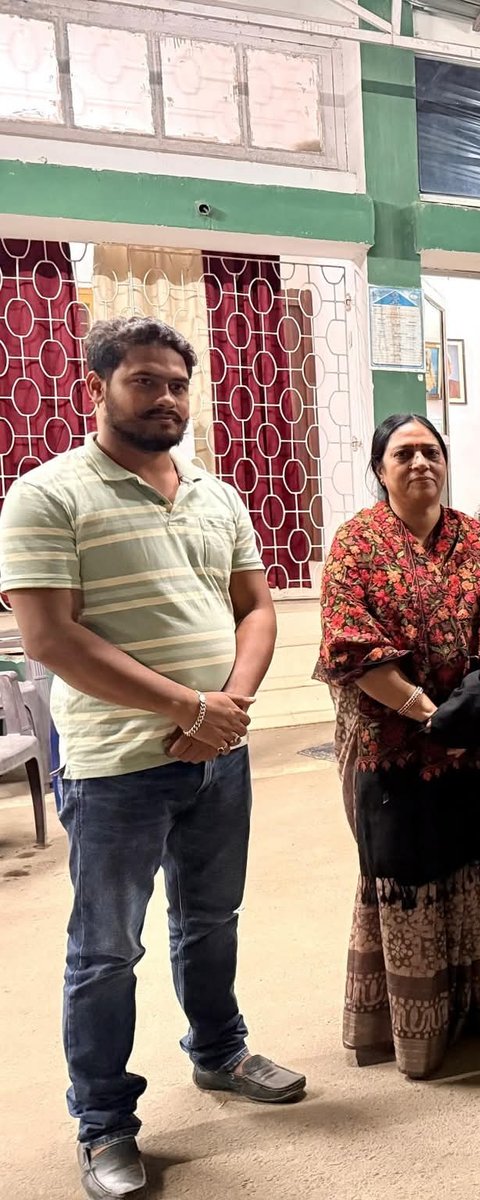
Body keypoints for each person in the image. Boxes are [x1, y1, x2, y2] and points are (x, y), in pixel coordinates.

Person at [0, 316, 304, 1200]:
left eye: (176, 383)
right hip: (114, 767)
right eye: (143, 381)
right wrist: (190, 708)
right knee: (106, 949)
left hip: (219, 754)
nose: (165, 397)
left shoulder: (217, 494)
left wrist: (229, 708)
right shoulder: (45, 496)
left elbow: (256, 608)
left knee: (211, 919)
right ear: (96, 387)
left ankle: (219, 1051)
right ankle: (103, 1123)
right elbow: (51, 638)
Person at [315, 414, 480, 1080]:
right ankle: (413, 1033)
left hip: (472, 746)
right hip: (391, 748)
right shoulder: (355, 545)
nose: (419, 464)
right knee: (403, 878)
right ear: (380, 468)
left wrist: (477, 702)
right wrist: (428, 714)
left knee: (474, 869)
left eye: (430, 452)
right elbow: (349, 646)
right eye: (403, 453)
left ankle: (479, 1009)